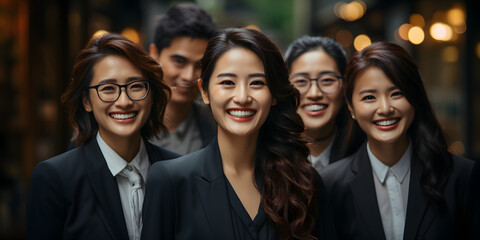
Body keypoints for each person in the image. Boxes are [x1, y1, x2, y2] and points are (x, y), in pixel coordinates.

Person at [141, 28, 336, 240]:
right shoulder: (170, 180)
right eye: (227, 83)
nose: (242, 97)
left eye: (257, 83)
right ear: (204, 91)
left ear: (273, 95)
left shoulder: (304, 182)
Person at [26, 33, 179, 240]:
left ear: (151, 96)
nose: (124, 101)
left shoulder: (179, 172)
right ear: (87, 101)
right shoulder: (56, 179)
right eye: (108, 89)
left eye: (136, 86)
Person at [320, 42, 479, 240]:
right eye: (369, 97)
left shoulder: (461, 176)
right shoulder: (329, 185)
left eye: (397, 93)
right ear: (351, 107)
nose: (385, 108)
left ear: (414, 97)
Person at [148, 2, 217, 154]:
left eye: (199, 65)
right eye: (179, 61)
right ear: (154, 54)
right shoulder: (128, 120)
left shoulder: (217, 127)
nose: (189, 76)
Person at [285, 36, 354, 172]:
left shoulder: (362, 152)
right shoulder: (267, 157)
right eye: (301, 81)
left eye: (327, 80)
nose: (314, 93)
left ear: (345, 86)